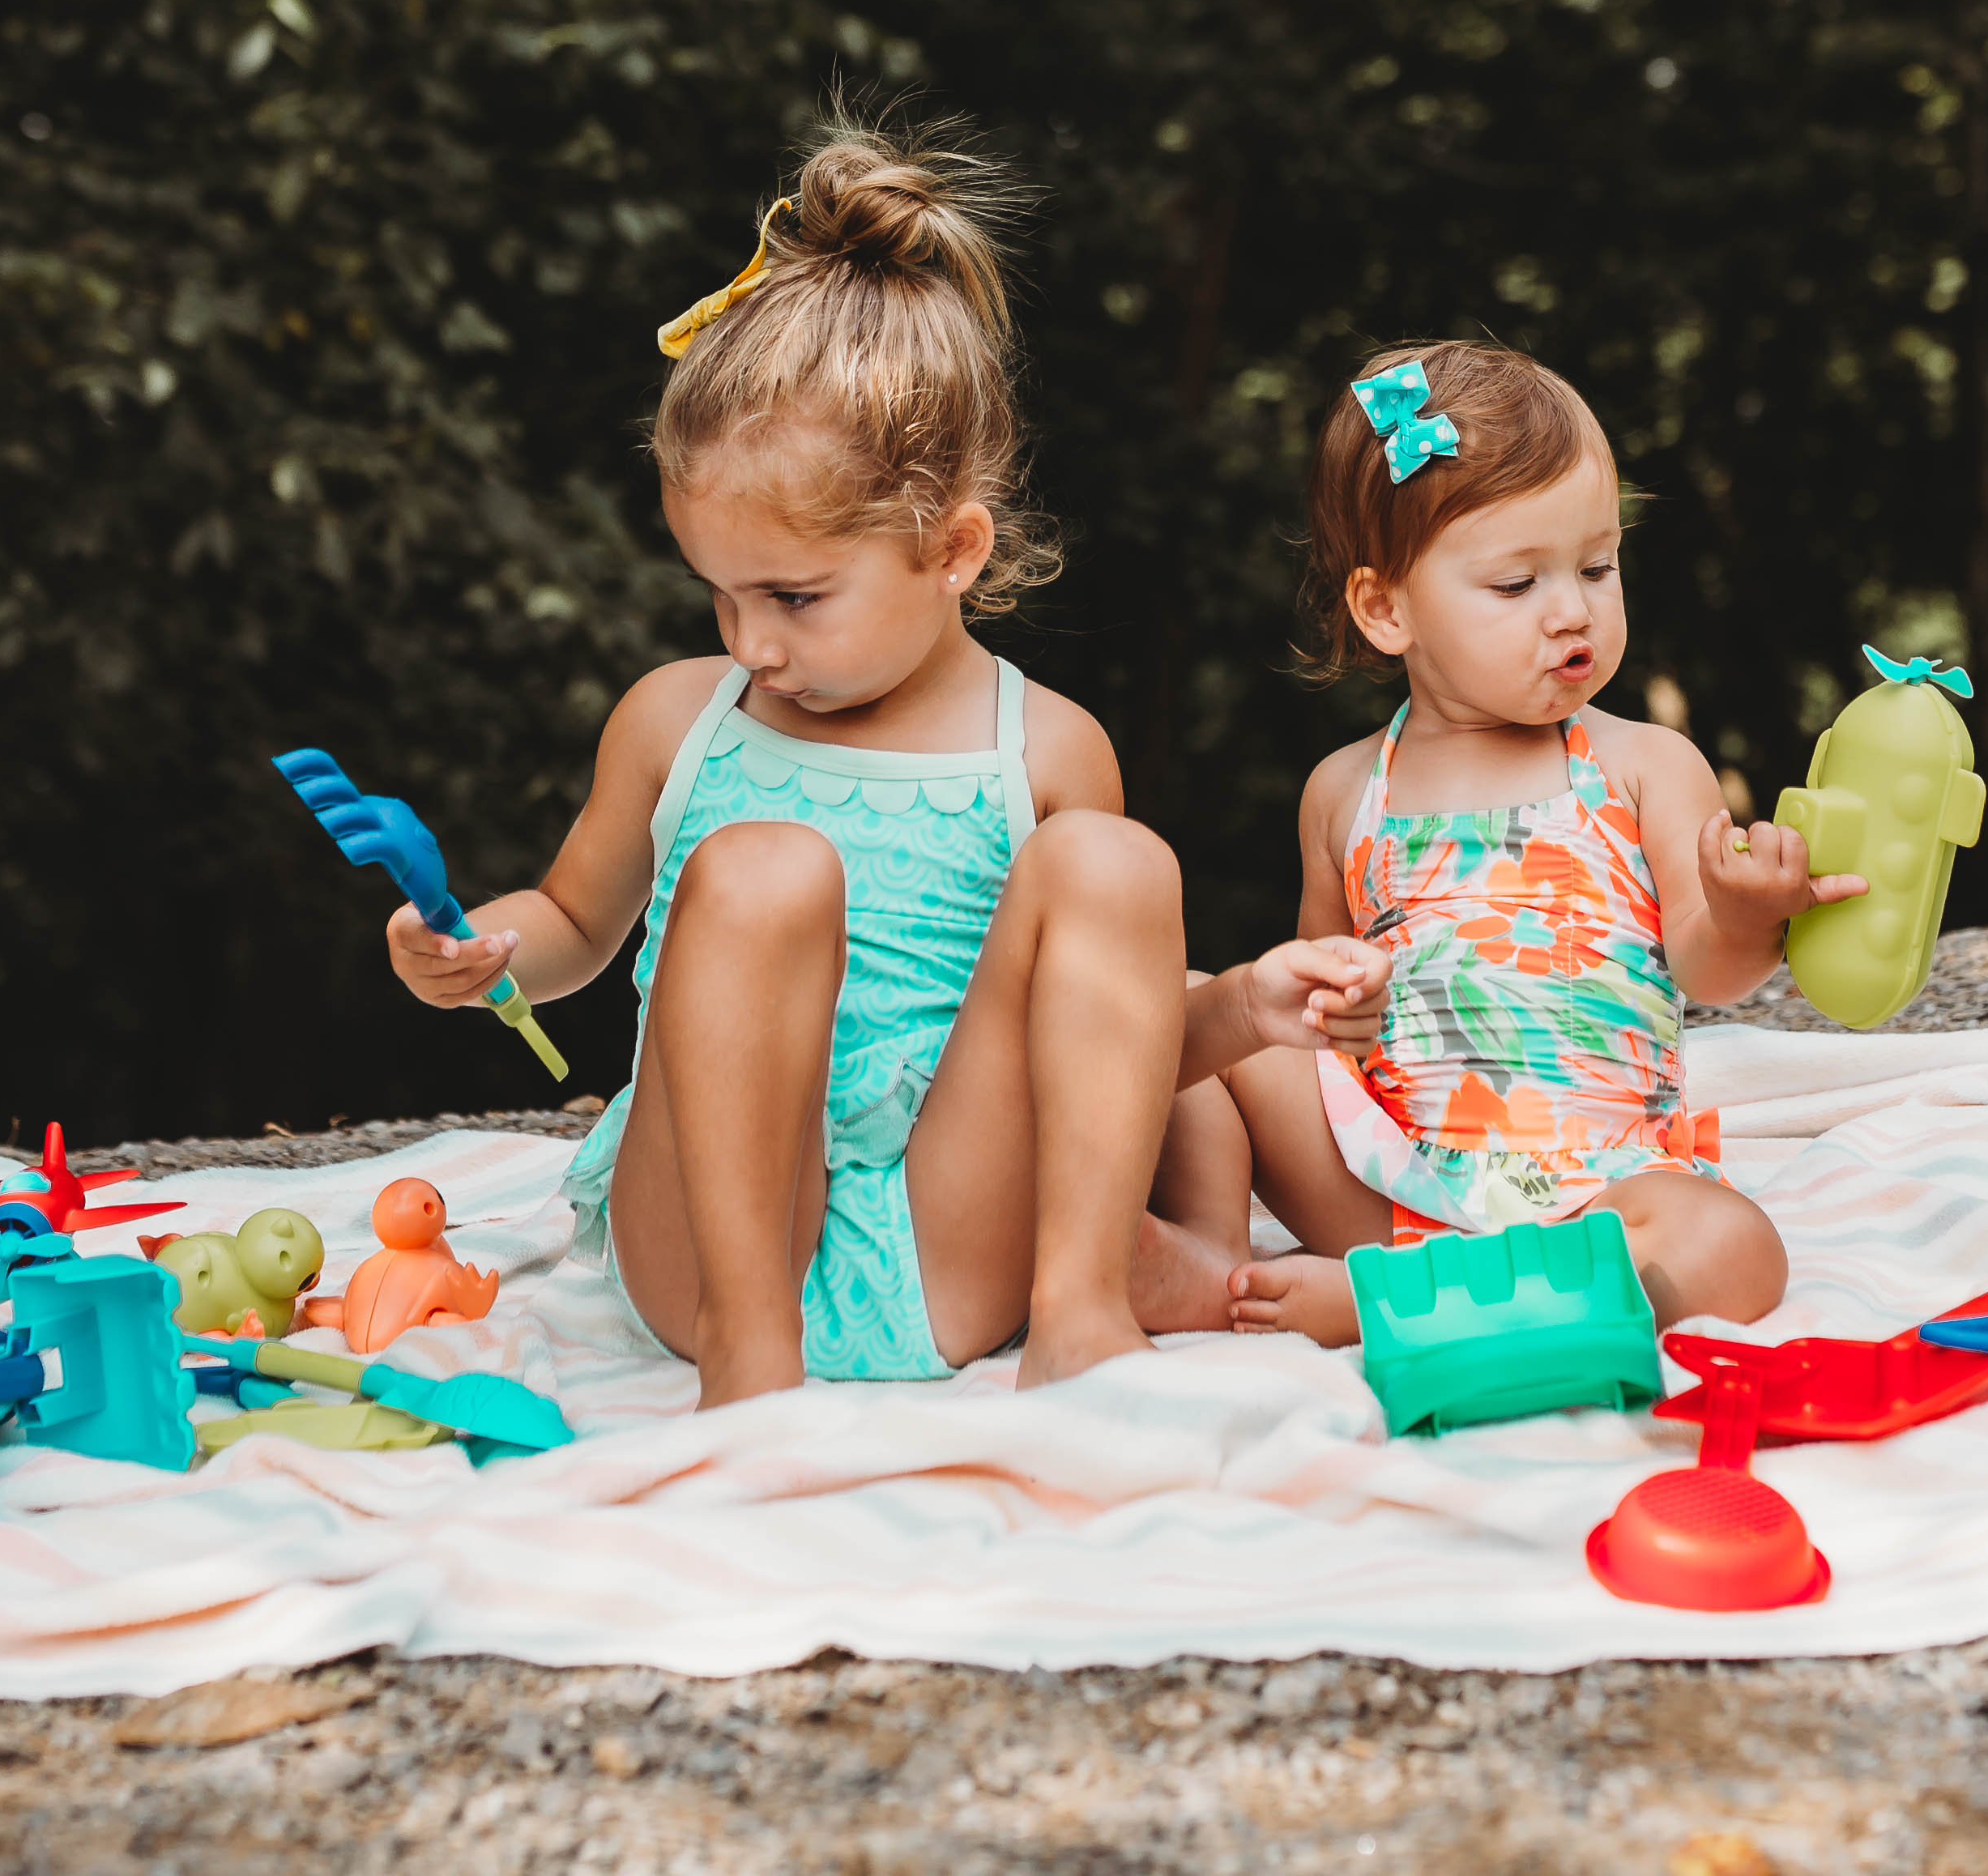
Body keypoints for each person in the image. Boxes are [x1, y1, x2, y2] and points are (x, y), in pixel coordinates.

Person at [385, 117, 1375, 1404]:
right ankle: (753, 1371)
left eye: (794, 597)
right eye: (718, 594)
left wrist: (1238, 1010)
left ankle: (1078, 1313)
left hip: (945, 1242)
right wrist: (480, 952)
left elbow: (1092, 1053)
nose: (751, 642)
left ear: (953, 550)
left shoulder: (1049, 750)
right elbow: (575, 919)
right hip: (710, 1249)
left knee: (1113, 864)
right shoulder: (680, 718)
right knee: (761, 871)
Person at [1169, 339, 1859, 1343]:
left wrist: (1749, 912)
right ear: (1386, 608)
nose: (1572, 609)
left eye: (1596, 565)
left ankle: (1461, 1303)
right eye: (1514, 585)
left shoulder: (1642, 765)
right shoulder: (1345, 792)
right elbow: (1313, 1015)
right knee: (1198, 1007)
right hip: (1394, 1181)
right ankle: (1214, 1255)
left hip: (1601, 1190)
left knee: (1735, 1243)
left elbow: (1708, 971)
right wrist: (1339, 1002)